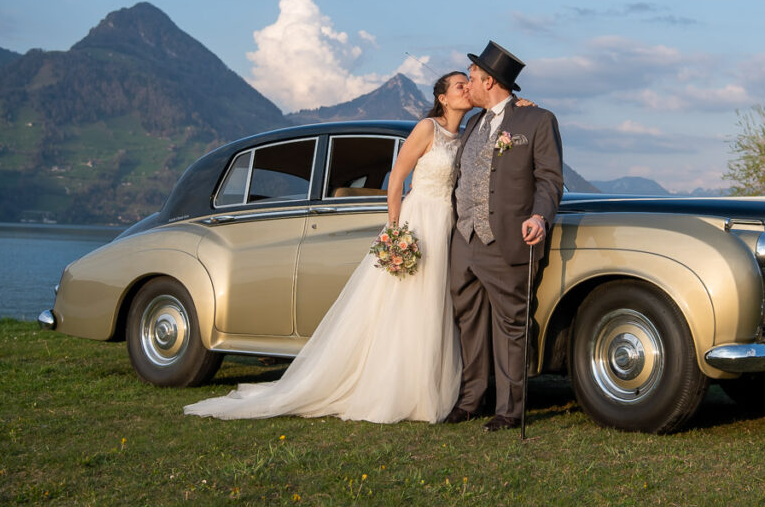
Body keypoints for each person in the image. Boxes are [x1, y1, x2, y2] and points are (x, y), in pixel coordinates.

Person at [183, 72, 473, 423]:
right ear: (442, 97)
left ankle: (425, 388)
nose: (467, 88)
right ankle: (394, 390)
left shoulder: (465, 135)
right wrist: (395, 232)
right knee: (406, 305)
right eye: (460, 84)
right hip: (419, 221)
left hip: (446, 223)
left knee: (433, 305)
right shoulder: (427, 128)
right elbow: (397, 178)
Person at [444, 41, 564, 432]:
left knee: (512, 324)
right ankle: (470, 400)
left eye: (474, 80)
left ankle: (509, 410)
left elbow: (549, 179)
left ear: (490, 80)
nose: (469, 87)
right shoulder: (475, 123)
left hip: (508, 240)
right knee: (469, 322)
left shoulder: (538, 120)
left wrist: (539, 216)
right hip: (464, 242)